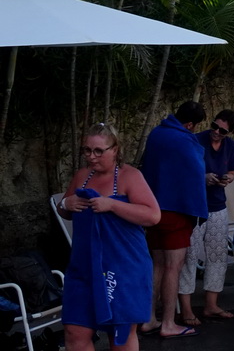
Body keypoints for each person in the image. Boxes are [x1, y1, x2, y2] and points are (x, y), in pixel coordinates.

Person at [59, 123, 161, 351]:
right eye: (87, 150)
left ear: (115, 149)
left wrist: (112, 205)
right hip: (84, 267)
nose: (91, 157)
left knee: (120, 335)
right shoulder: (81, 176)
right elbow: (63, 209)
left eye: (98, 151)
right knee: (74, 331)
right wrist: (66, 203)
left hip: (123, 267)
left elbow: (153, 216)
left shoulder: (130, 176)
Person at [139, 101, 208, 338]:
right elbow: (195, 174)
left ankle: (148, 318)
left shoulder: (156, 134)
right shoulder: (185, 140)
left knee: (157, 264)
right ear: (190, 124)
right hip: (176, 211)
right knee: (173, 267)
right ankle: (168, 323)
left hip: (152, 208)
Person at [178, 109, 234, 324]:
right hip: (194, 206)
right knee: (189, 255)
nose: (216, 131)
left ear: (229, 132)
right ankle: (186, 309)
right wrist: (202, 178)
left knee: (217, 255)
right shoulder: (196, 140)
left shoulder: (230, 146)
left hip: (217, 205)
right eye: (214, 126)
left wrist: (228, 179)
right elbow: (182, 170)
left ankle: (211, 305)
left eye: (222, 130)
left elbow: (233, 171)